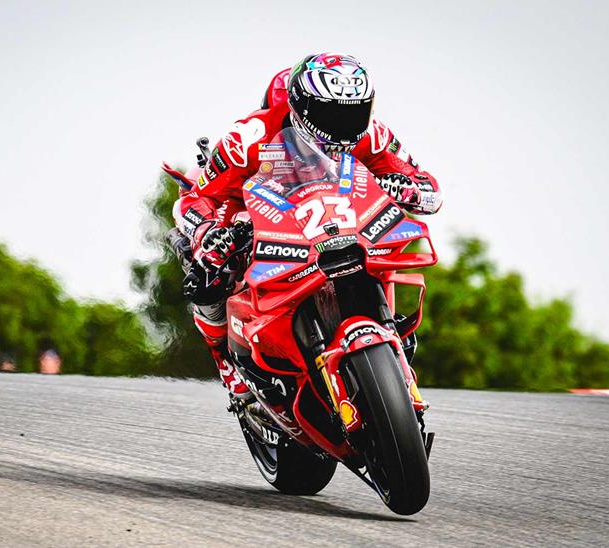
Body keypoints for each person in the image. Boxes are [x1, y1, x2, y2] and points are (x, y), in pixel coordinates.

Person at [168, 52, 443, 398]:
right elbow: (194, 199)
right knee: (208, 276)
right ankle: (226, 364)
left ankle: (392, 359)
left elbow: (427, 184)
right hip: (251, 215)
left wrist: (408, 189)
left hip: (338, 220)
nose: (344, 124)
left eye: (354, 112)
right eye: (332, 113)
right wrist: (209, 234)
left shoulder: (372, 135)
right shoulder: (249, 137)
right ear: (301, 108)